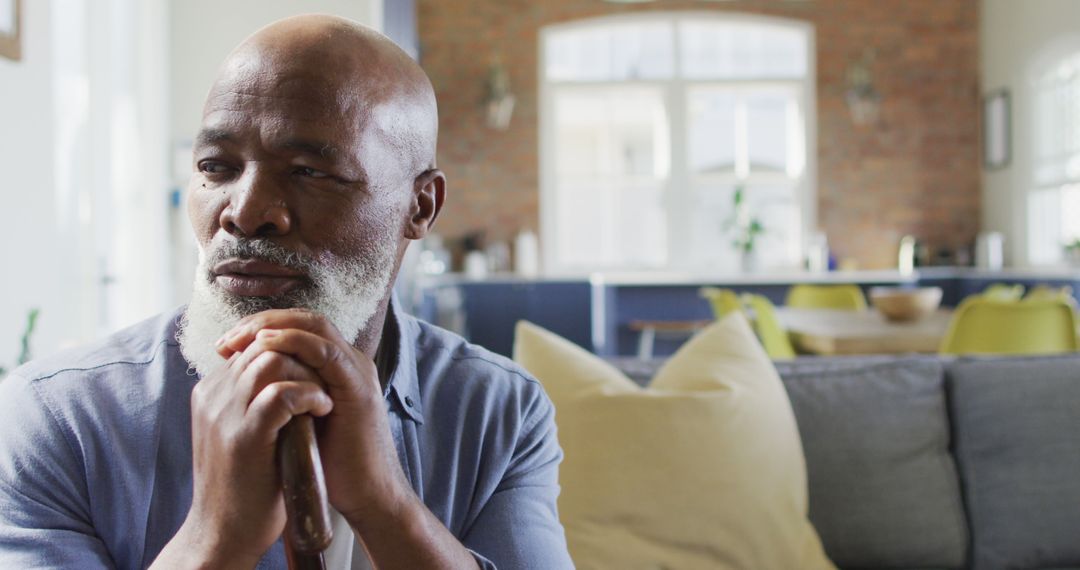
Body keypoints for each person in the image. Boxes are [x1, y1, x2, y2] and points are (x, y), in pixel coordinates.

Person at [0, 14, 573, 569]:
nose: (245, 214)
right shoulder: (61, 421)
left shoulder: (498, 414)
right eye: (216, 166)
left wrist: (385, 504)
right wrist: (213, 539)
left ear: (420, 206)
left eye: (307, 171)